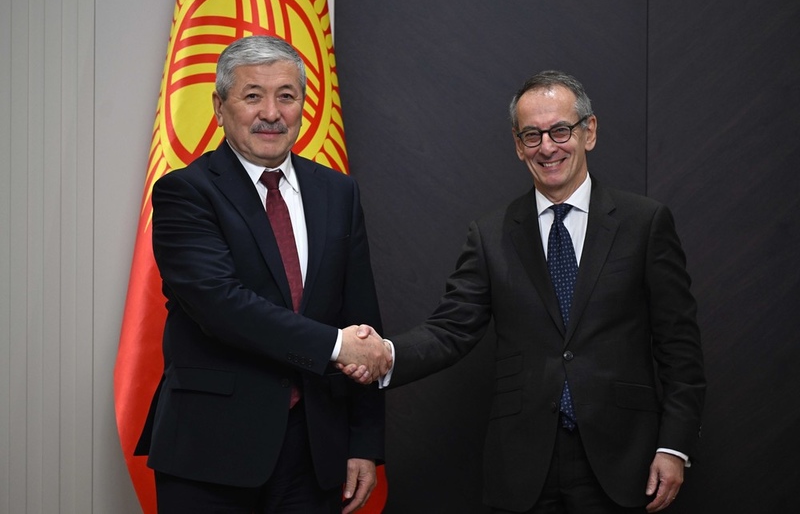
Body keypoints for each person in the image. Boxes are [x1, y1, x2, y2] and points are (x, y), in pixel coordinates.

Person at [345, 70, 705, 513]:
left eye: (560, 130)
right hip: (523, 466)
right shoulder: (491, 234)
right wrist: (386, 354)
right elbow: (450, 330)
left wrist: (674, 446)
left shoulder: (644, 223)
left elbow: (679, 347)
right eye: (532, 135)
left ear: (589, 132)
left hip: (624, 459)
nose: (547, 147)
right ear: (518, 146)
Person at [134, 35, 392, 514]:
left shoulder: (338, 192)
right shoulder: (184, 192)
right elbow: (222, 306)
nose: (271, 113)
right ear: (219, 107)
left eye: (286, 96)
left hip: (315, 449)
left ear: (303, 106)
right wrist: (336, 347)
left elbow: (361, 317)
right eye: (253, 95)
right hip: (210, 452)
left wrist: (364, 441)